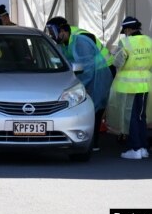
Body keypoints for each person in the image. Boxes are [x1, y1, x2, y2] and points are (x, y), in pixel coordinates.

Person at [45, 18, 113, 151]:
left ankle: (93, 143)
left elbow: (87, 69)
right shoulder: (65, 40)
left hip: (102, 70)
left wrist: (79, 87)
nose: (52, 36)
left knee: (95, 105)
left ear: (63, 30)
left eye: (53, 32)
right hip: (87, 71)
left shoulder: (80, 40)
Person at [105, 16, 152, 160]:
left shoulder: (125, 42)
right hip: (145, 83)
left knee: (130, 117)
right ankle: (143, 148)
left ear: (128, 29)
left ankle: (135, 148)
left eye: (125, 30)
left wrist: (113, 55)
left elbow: (118, 62)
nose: (125, 33)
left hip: (128, 86)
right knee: (141, 117)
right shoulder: (149, 41)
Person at [47, 16, 115, 77]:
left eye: (53, 34)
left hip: (105, 67)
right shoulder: (63, 42)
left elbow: (87, 66)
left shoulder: (80, 40)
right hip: (94, 68)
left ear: (62, 31)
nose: (52, 37)